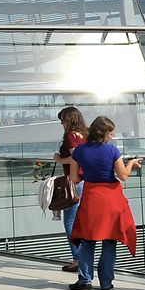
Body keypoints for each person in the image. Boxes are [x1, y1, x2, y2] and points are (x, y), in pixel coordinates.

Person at [68, 116, 140, 290]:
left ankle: (85, 280)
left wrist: (88, 175)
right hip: (112, 199)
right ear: (104, 133)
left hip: (92, 197)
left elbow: (75, 177)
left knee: (87, 240)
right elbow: (123, 176)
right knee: (109, 241)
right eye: (111, 133)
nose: (112, 136)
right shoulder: (112, 151)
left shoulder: (79, 151)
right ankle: (106, 283)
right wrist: (131, 164)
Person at [53, 106, 88, 274]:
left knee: (70, 223)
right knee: (81, 221)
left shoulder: (70, 136)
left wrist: (59, 159)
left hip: (74, 182)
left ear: (69, 119)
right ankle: (82, 258)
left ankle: (78, 259)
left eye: (63, 120)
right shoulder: (86, 134)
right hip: (86, 181)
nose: (61, 123)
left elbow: (76, 157)